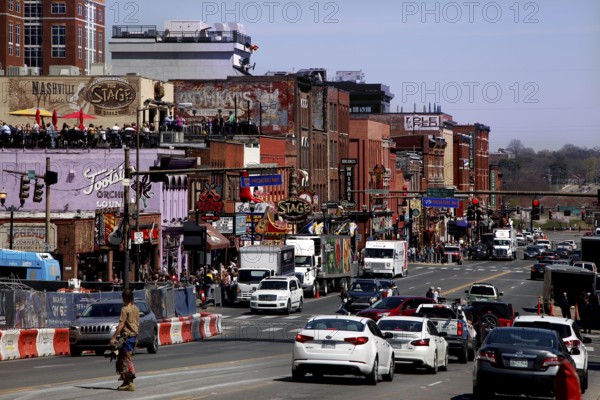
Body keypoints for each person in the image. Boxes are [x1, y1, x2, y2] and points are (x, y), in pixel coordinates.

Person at [110, 288, 139, 391]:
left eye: (123, 297)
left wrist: (113, 337)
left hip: (127, 337)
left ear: (126, 297)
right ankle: (125, 381)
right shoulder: (135, 308)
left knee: (126, 360)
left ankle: (130, 383)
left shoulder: (124, 309)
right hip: (134, 336)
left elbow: (121, 324)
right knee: (123, 359)